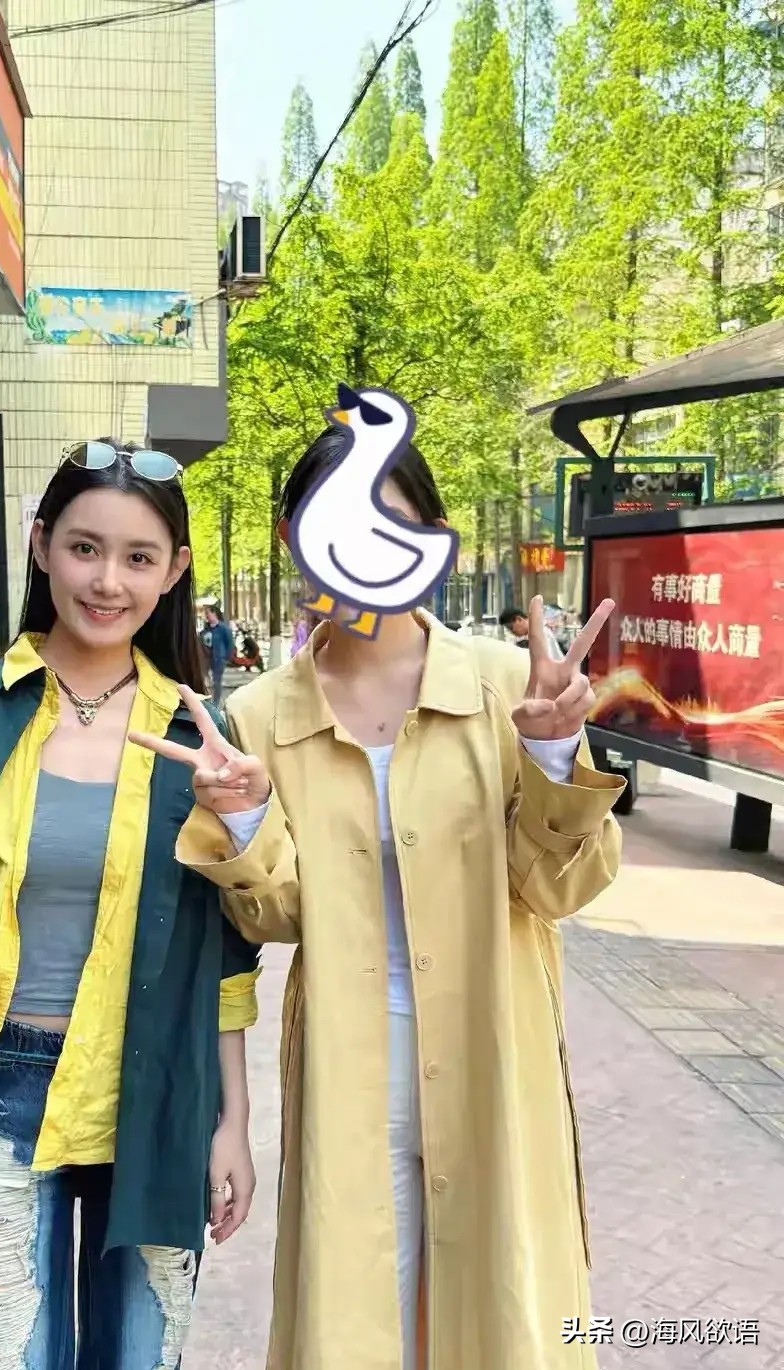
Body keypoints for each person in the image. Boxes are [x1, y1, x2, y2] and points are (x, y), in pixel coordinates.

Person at [162, 424, 625, 1370]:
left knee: (503, 1315)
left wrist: (549, 756)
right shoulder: (258, 716)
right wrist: (244, 824)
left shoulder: (510, 686)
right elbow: (276, 917)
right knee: (355, 1323)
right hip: (349, 1065)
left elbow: (560, 888)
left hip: (495, 1051)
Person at [0, 438, 261, 1370]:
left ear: (174, 571)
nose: (108, 581)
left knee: (138, 1357)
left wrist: (232, 1124)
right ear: (41, 546)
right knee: (6, 1357)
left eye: (138, 557)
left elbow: (225, 955)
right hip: (0, 1089)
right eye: (85, 548)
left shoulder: (198, 736)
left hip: (157, 1091)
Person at [203, 602, 234, 705]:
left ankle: (215, 703)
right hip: (207, 658)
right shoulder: (206, 629)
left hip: (219, 658)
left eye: (208, 613)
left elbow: (229, 643)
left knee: (217, 681)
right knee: (205, 679)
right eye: (206, 613)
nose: (206, 616)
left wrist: (227, 657)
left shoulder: (224, 629)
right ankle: (206, 700)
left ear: (214, 613)